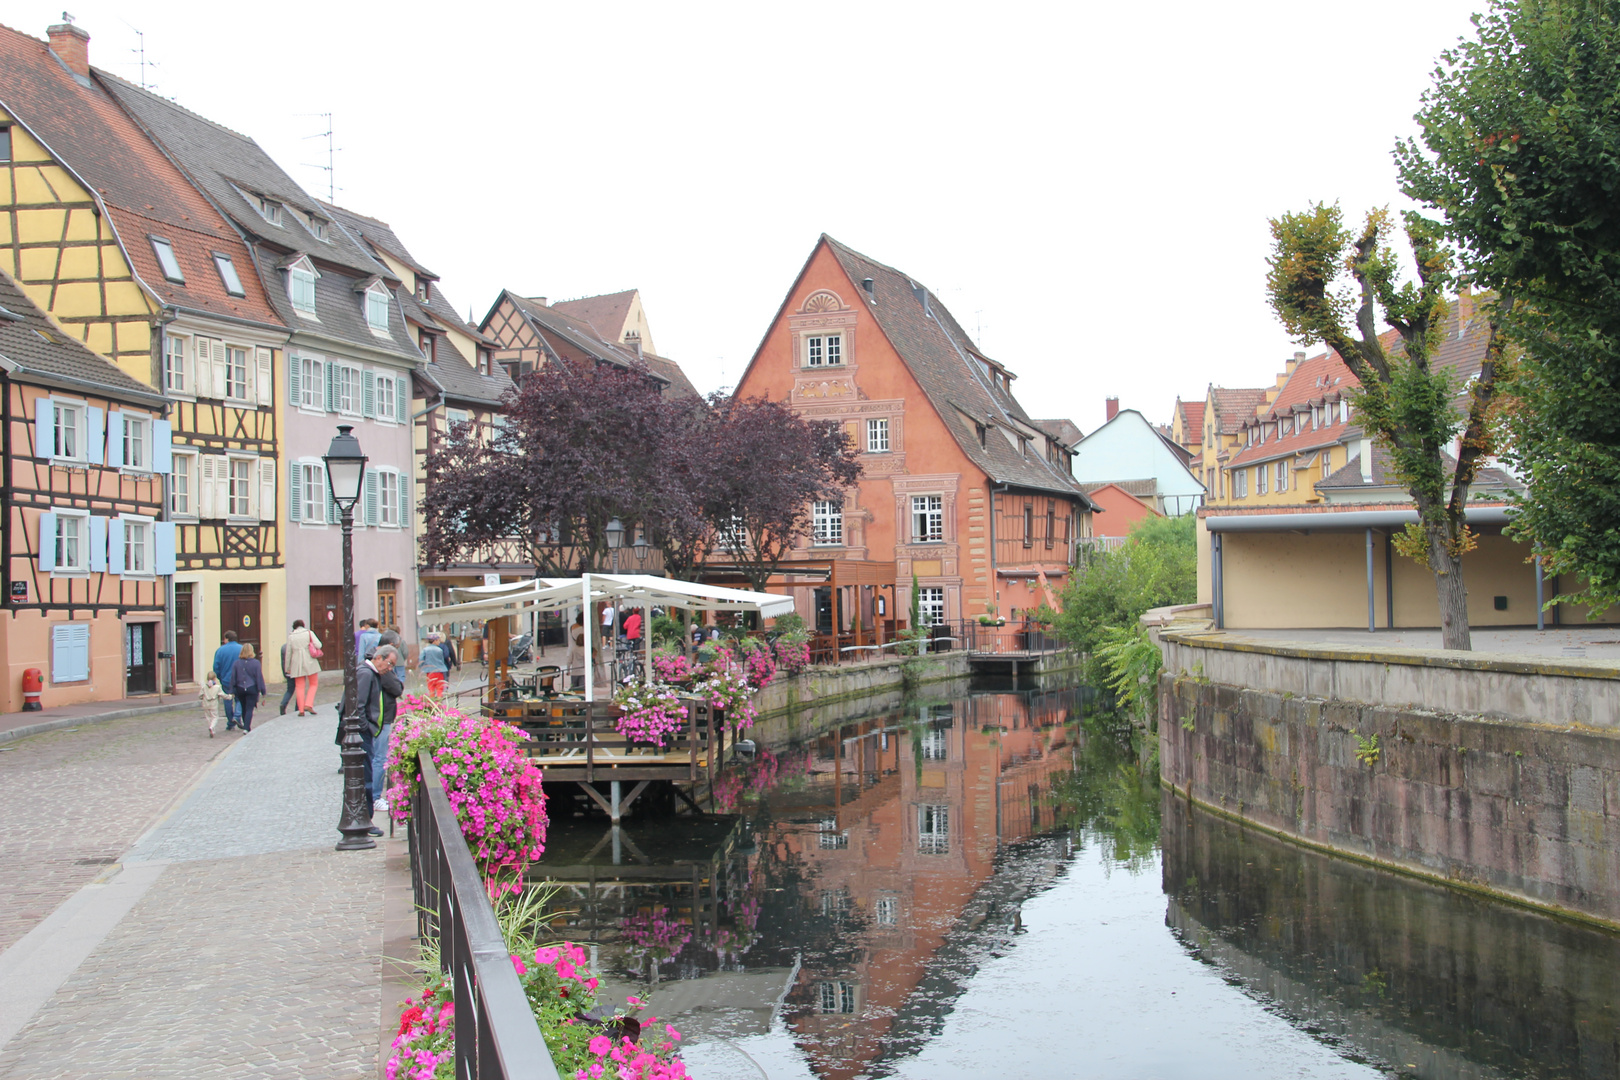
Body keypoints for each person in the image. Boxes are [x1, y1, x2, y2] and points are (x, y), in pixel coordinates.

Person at [356, 645, 400, 836]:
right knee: (364, 777)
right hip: (362, 733)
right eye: (389, 663)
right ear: (379, 658)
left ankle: (365, 819)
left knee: (364, 775)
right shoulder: (366, 673)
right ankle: (365, 820)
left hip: (366, 731)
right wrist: (367, 728)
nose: (389, 668)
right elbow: (359, 705)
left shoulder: (371, 673)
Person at [285, 619, 323, 715]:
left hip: (296, 662)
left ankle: (301, 710)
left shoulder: (291, 637)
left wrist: (287, 667)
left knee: (299, 686)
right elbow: (319, 645)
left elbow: (288, 653)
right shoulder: (309, 633)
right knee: (313, 683)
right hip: (309, 660)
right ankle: (308, 704)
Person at [230, 643, 268, 733]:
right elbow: (259, 677)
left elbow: (233, 677)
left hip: (240, 688)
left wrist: (231, 689)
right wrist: (263, 690)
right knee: (249, 708)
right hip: (252, 688)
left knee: (244, 707)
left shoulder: (236, 663)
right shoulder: (256, 663)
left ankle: (246, 726)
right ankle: (247, 727)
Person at [212, 631, 242, 731]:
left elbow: (216, 667)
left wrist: (220, 677)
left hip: (226, 680)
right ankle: (237, 716)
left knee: (228, 700)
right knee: (240, 699)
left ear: (226, 639)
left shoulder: (220, 650)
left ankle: (230, 722)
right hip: (239, 679)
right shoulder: (241, 649)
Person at [420, 633, 449, 699]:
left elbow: (421, 659)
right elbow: (442, 660)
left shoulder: (425, 649)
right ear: (435, 640)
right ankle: (439, 700)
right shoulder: (439, 650)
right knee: (439, 687)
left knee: (431, 687)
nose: (439, 642)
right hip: (439, 670)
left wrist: (423, 666)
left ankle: (432, 701)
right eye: (438, 640)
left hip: (429, 671)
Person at [563, 613, 586, 690]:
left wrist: (568, 669)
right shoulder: (583, 629)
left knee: (574, 686)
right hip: (582, 665)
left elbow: (569, 661)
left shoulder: (571, 627)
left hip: (572, 650)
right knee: (582, 687)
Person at [200, 671, 223, 738]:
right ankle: (212, 727)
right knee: (215, 717)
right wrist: (229, 696)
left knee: (208, 717)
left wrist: (203, 697)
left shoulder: (204, 687)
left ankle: (212, 730)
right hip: (213, 704)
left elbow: (200, 695)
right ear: (215, 678)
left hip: (206, 704)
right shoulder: (217, 687)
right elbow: (222, 694)